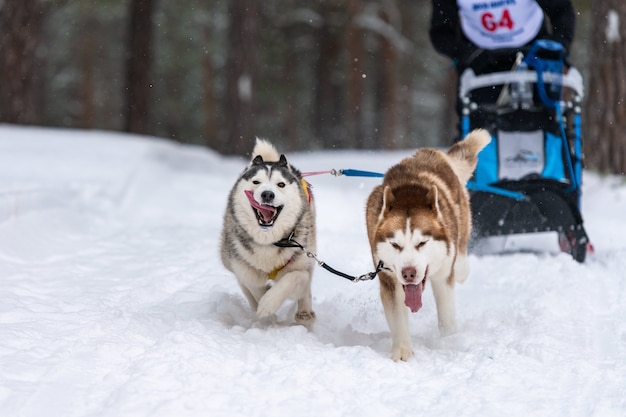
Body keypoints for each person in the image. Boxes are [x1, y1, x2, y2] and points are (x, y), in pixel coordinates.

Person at [429, 0, 576, 138]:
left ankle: (556, 155)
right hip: (481, 60)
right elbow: (440, 32)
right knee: (476, 127)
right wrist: (465, 53)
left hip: (532, 52)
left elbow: (562, 11)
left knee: (547, 123)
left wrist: (558, 46)